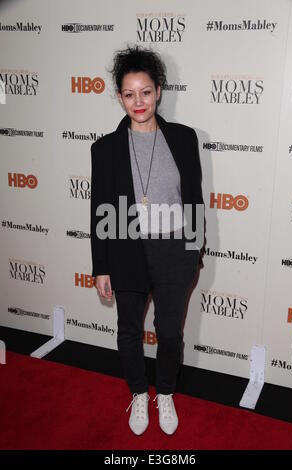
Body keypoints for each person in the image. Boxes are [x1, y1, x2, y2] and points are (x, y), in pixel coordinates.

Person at [90, 45, 204, 436]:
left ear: (159, 91)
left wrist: (195, 250)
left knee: (170, 332)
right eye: (128, 93)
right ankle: (139, 392)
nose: (138, 102)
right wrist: (101, 266)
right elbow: (100, 207)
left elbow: (194, 198)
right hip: (126, 250)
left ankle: (166, 393)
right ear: (119, 96)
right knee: (129, 330)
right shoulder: (104, 149)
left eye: (145, 92)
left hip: (174, 252)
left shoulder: (185, 139)